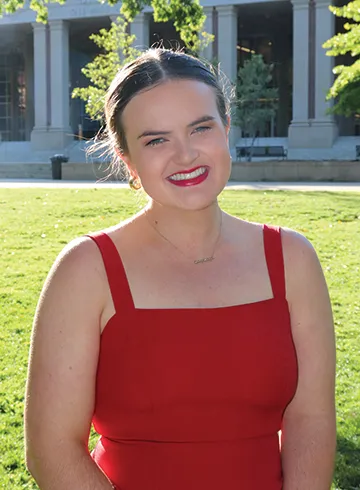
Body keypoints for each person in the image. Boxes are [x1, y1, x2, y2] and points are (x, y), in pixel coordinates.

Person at [24, 48, 336, 490]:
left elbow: (312, 419)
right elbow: (51, 448)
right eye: (156, 140)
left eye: (200, 128)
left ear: (226, 128)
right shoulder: (85, 270)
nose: (186, 155)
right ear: (127, 159)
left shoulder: (292, 258)